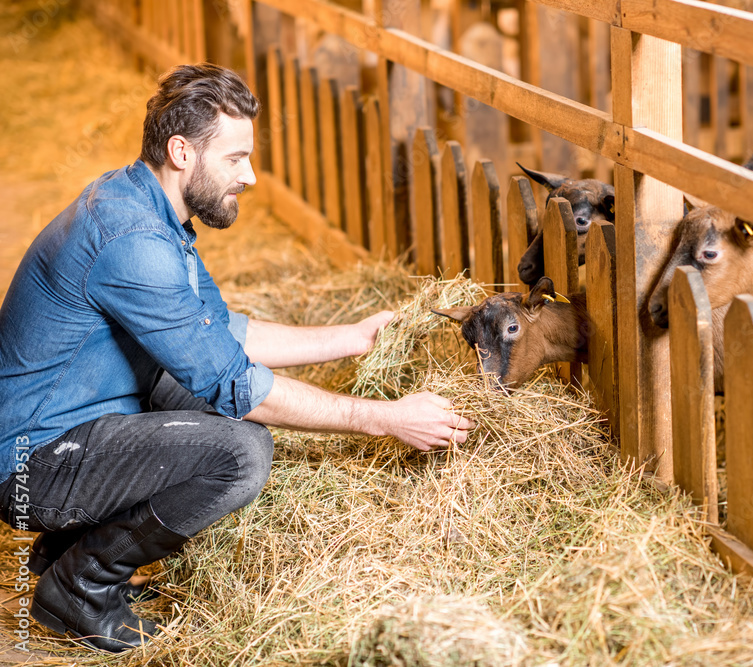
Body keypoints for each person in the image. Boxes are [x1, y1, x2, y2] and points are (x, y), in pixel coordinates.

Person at [0, 63, 473, 653]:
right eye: (235, 158)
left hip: (79, 419)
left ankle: (69, 548)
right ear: (181, 152)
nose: (249, 176)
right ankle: (81, 585)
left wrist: (352, 336)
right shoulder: (134, 241)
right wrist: (381, 417)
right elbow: (232, 384)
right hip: (34, 462)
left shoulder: (146, 206)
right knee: (240, 452)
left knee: (190, 391)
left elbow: (221, 333)